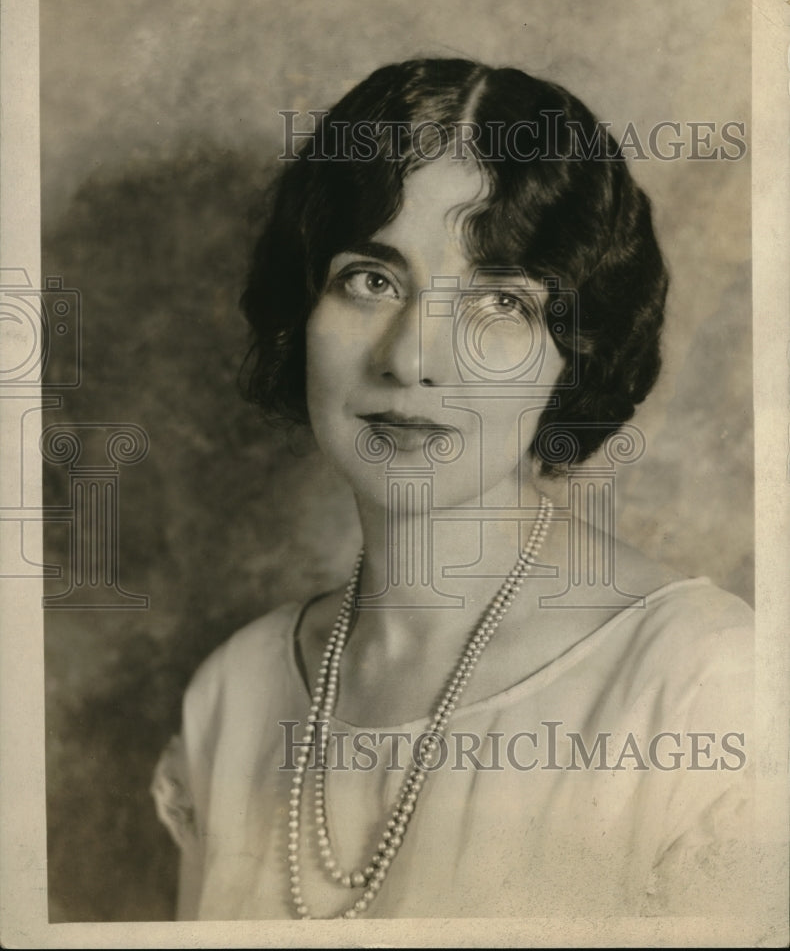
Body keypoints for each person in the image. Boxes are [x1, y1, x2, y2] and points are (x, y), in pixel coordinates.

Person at [151, 58, 754, 920]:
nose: (411, 357)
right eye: (371, 279)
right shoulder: (235, 695)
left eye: (499, 302)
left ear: (574, 352)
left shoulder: (702, 687)